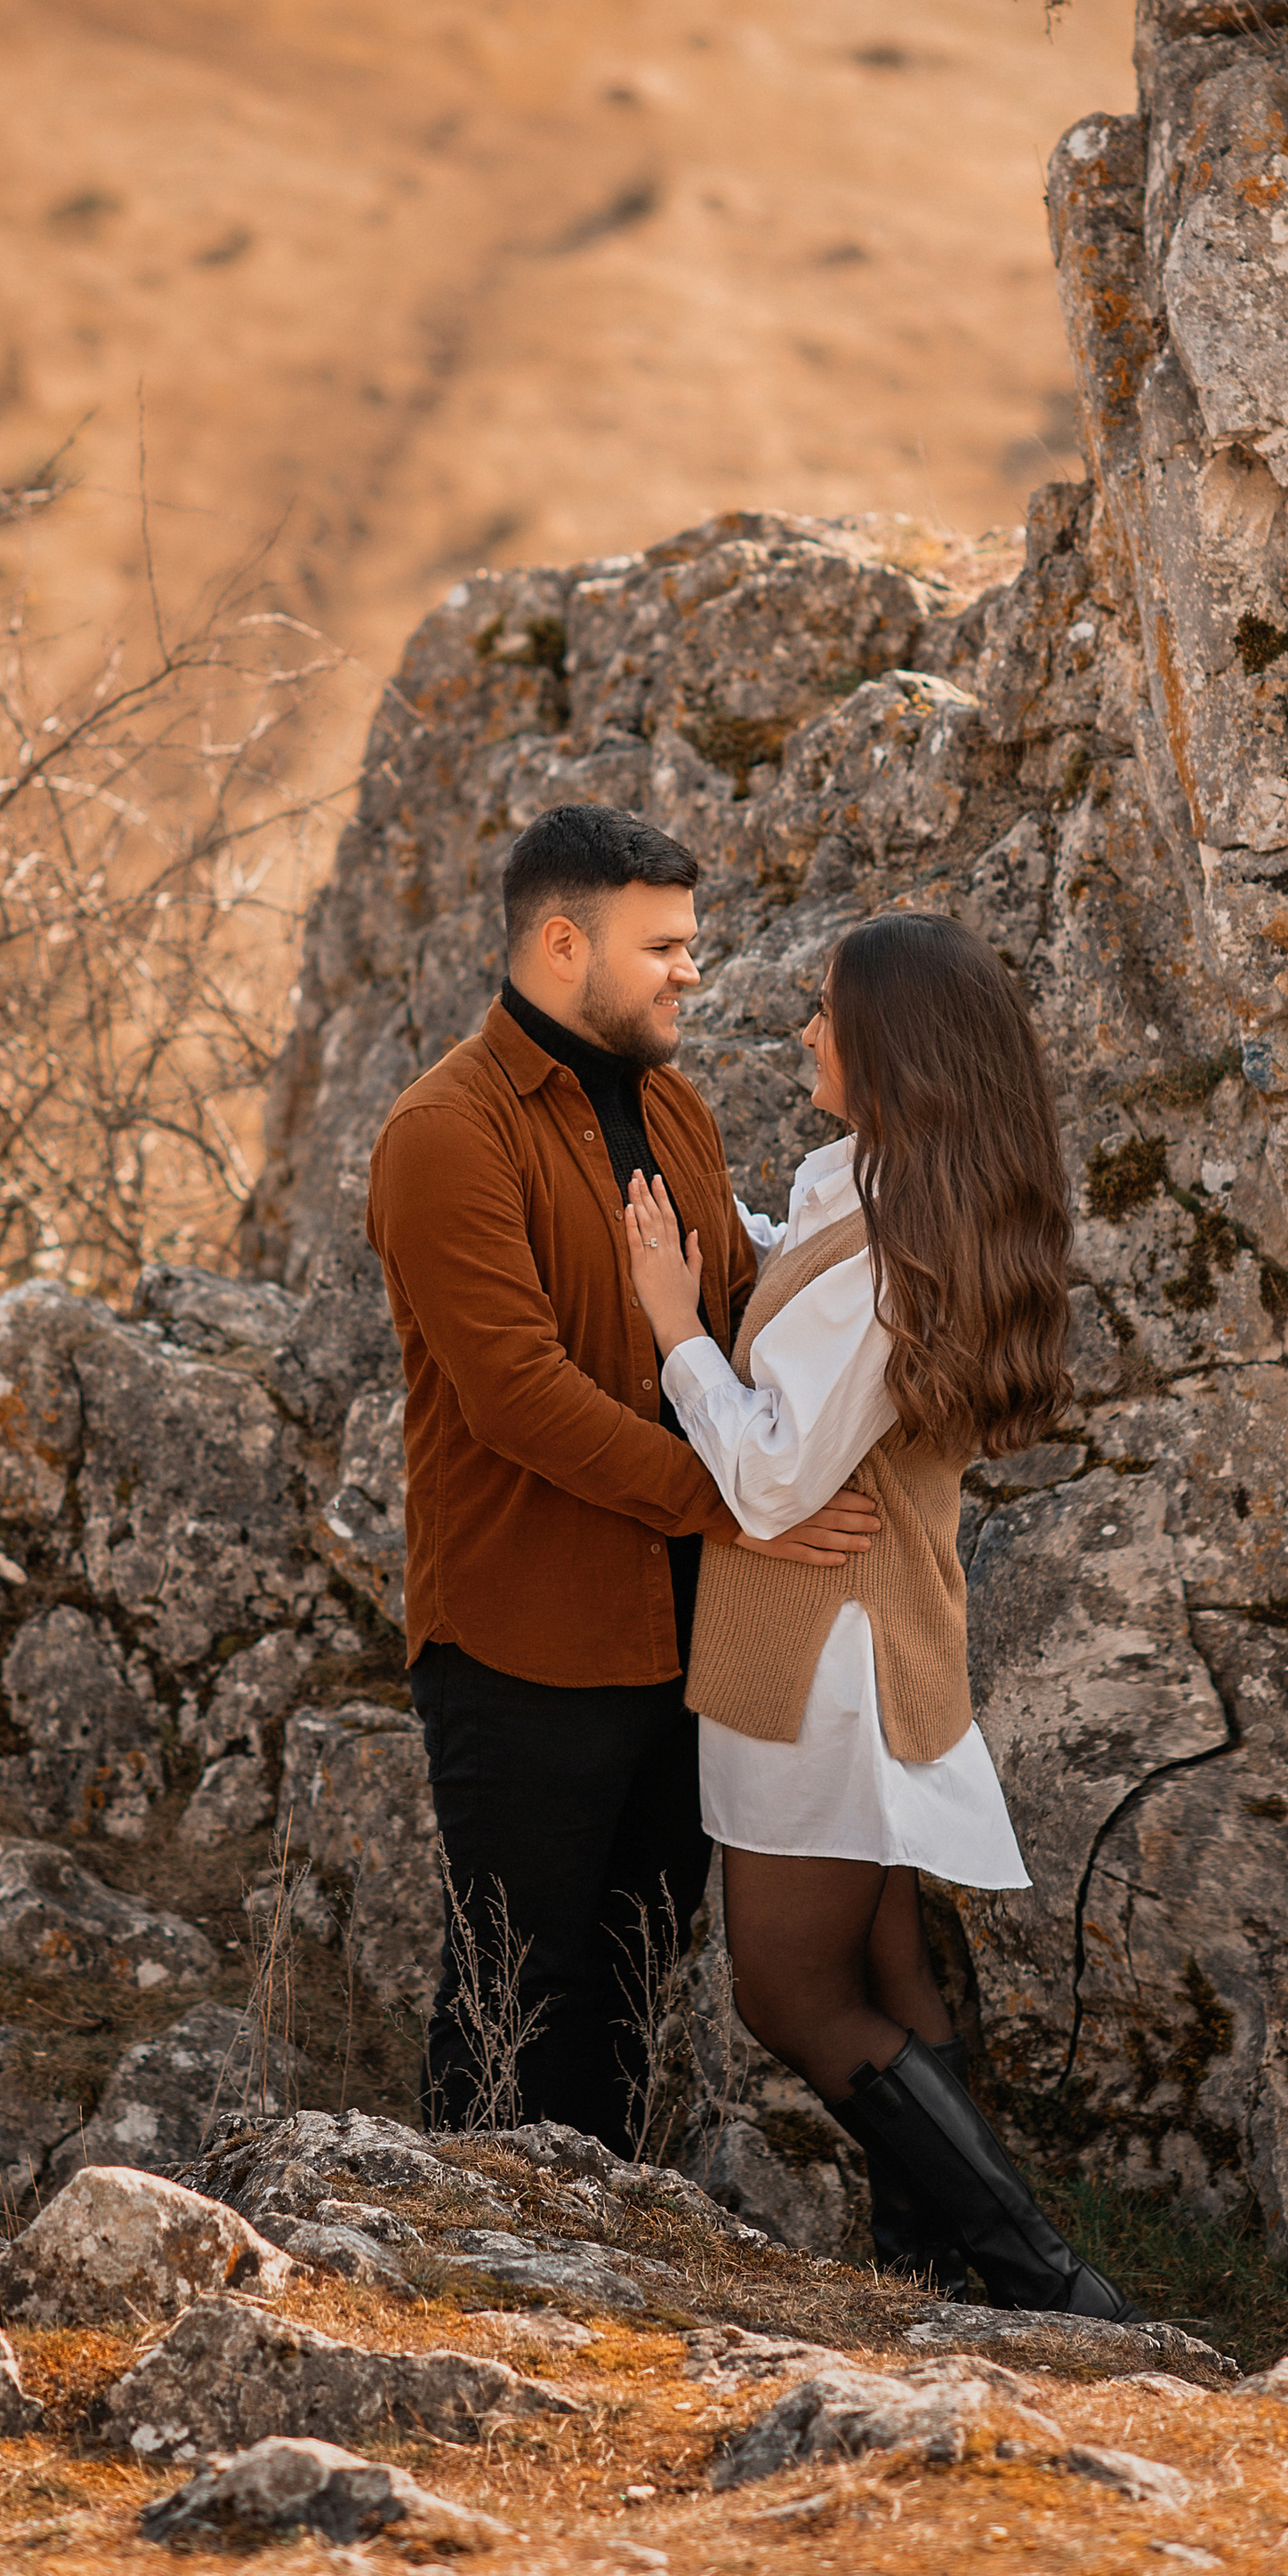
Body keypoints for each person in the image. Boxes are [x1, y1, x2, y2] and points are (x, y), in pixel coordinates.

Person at [623, 906, 1133, 2319]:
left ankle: (1043, 2282)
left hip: (821, 1658)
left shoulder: (897, 1251)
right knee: (891, 1963)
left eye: (826, 1014)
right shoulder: (879, 1190)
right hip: (876, 1636)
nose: (802, 1033)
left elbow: (780, 1474)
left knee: (786, 1996)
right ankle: (934, 2283)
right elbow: (805, 1270)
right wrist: (720, 1217)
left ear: (892, 1047)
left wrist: (674, 1324)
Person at [366, 801, 879, 2152]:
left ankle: (596, 2287)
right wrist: (749, 1503)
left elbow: (738, 1317)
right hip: (526, 1644)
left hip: (687, 1643)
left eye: (690, 945)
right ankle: (462, 2289)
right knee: (513, 1997)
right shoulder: (444, 1134)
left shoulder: (678, 1109)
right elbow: (520, 1399)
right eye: (662, 947)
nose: (691, 974)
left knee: (630, 1989)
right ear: (558, 944)